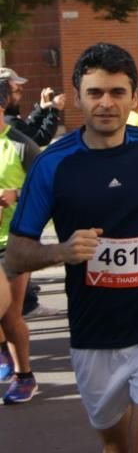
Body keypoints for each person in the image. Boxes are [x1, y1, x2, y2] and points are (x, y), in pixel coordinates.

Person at [6, 43, 138, 451]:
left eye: (117, 93)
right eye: (95, 93)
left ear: (136, 97)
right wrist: (61, 252)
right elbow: (16, 256)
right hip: (94, 333)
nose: (106, 104)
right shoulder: (54, 164)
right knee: (116, 444)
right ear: (77, 96)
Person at [0, 79, 40, 404]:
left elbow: (45, 191)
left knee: (10, 314)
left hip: (12, 243)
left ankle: (25, 376)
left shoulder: (21, 145)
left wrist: (15, 196)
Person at [0, 68, 62, 147]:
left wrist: (41, 108)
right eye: (17, 90)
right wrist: (54, 110)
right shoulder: (8, 122)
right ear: (4, 95)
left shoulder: (8, 119)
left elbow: (26, 129)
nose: (21, 94)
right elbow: (41, 138)